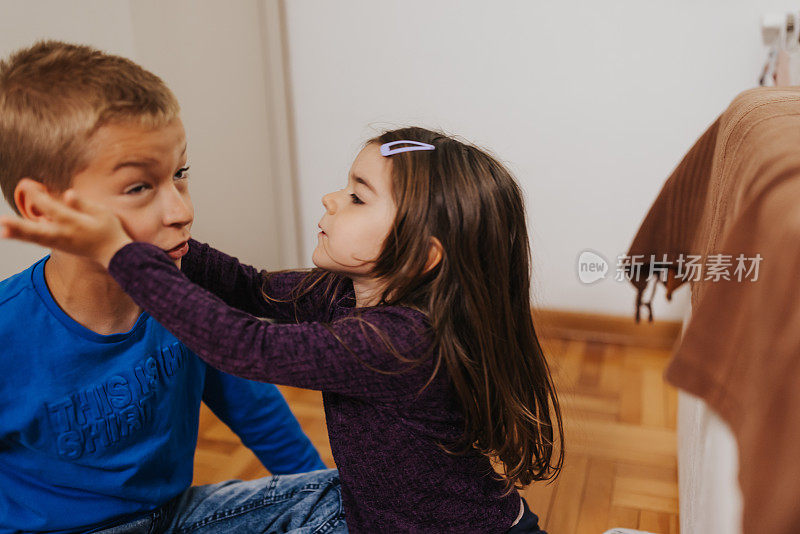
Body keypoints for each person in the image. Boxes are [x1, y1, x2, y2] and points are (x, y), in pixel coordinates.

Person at [1, 126, 565, 533]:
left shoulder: (399, 342)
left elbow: (245, 345)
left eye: (357, 196)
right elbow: (251, 288)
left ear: (421, 255)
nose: (330, 198)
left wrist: (123, 252)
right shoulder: (341, 293)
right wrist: (170, 243)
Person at [0, 41, 344, 534]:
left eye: (180, 175)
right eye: (140, 187)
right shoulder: (7, 332)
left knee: (349, 497)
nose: (182, 211)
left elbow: (255, 408)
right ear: (42, 208)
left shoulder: (188, 296)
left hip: (180, 518)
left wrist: (322, 506)